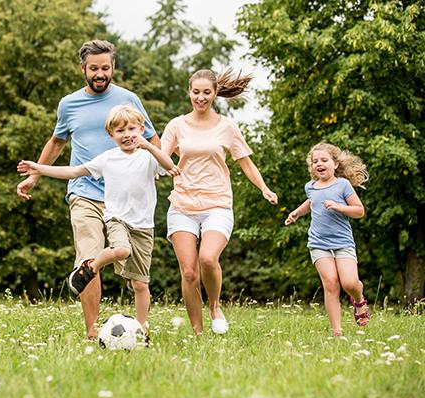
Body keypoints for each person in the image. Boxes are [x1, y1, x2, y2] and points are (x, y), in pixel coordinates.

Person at [16, 40, 160, 339]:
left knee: (134, 270)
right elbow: (57, 143)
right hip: (84, 193)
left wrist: (155, 169)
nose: (100, 74)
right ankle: (93, 331)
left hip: (124, 198)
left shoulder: (128, 100)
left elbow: (153, 140)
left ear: (113, 67)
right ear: (83, 69)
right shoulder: (69, 104)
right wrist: (34, 176)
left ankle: (140, 328)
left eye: (105, 68)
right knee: (89, 259)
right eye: (94, 68)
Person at [19, 105, 178, 332]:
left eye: (132, 129)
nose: (127, 135)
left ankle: (142, 330)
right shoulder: (108, 159)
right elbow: (74, 172)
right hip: (117, 219)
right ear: (110, 135)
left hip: (143, 225)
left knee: (140, 283)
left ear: (142, 129)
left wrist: (150, 147)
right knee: (122, 250)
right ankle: (91, 267)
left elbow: (169, 166)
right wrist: (39, 169)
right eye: (120, 131)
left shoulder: (149, 157)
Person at [161, 68, 278, 335]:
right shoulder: (176, 125)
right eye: (195, 92)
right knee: (189, 272)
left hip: (217, 203)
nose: (200, 98)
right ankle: (198, 333)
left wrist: (264, 188)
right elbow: (161, 158)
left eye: (206, 92)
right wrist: (160, 165)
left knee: (208, 259)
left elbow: (246, 163)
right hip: (182, 204)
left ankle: (214, 306)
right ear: (189, 92)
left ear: (215, 94)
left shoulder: (227, 126)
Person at [285, 143, 370, 337]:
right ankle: (337, 332)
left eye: (324, 160)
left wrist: (339, 207)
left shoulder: (343, 185)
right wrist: (297, 213)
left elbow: (359, 210)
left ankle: (359, 298)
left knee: (349, 283)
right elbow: (311, 202)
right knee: (331, 284)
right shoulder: (310, 187)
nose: (319, 164)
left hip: (343, 243)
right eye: (315, 161)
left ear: (335, 163)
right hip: (318, 243)